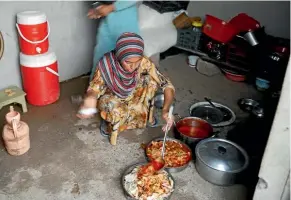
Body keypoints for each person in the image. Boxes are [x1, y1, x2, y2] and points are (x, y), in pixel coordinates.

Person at [77, 32, 175, 146]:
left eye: (137, 61)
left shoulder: (144, 62)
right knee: (113, 109)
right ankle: (109, 122)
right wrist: (90, 98)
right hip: (113, 96)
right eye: (127, 62)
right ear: (119, 56)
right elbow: (94, 88)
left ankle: (141, 117)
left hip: (133, 95)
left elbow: (167, 85)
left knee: (151, 81)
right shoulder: (106, 63)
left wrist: (165, 110)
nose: (132, 67)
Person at [87, 1, 140, 81]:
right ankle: (95, 90)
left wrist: (111, 7)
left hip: (126, 21)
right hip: (109, 21)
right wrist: (98, 8)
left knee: (128, 64)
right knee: (101, 60)